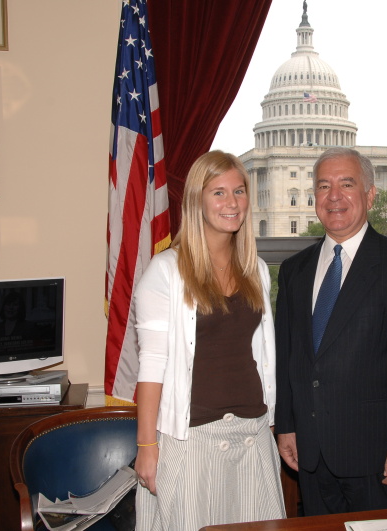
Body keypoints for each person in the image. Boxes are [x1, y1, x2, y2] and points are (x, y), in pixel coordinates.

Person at [274, 147, 387, 516]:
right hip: (310, 455)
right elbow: (288, 358)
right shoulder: (293, 272)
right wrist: (285, 426)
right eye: (323, 186)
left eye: (346, 184)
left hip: (378, 456)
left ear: (369, 195)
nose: (334, 196)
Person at [133, 151, 285, 531]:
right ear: (196, 201)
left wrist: (271, 422)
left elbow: (261, 353)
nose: (231, 203)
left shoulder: (257, 270)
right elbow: (152, 365)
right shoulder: (166, 270)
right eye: (218, 192)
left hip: (254, 432)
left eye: (238, 191)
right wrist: (146, 447)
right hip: (193, 439)